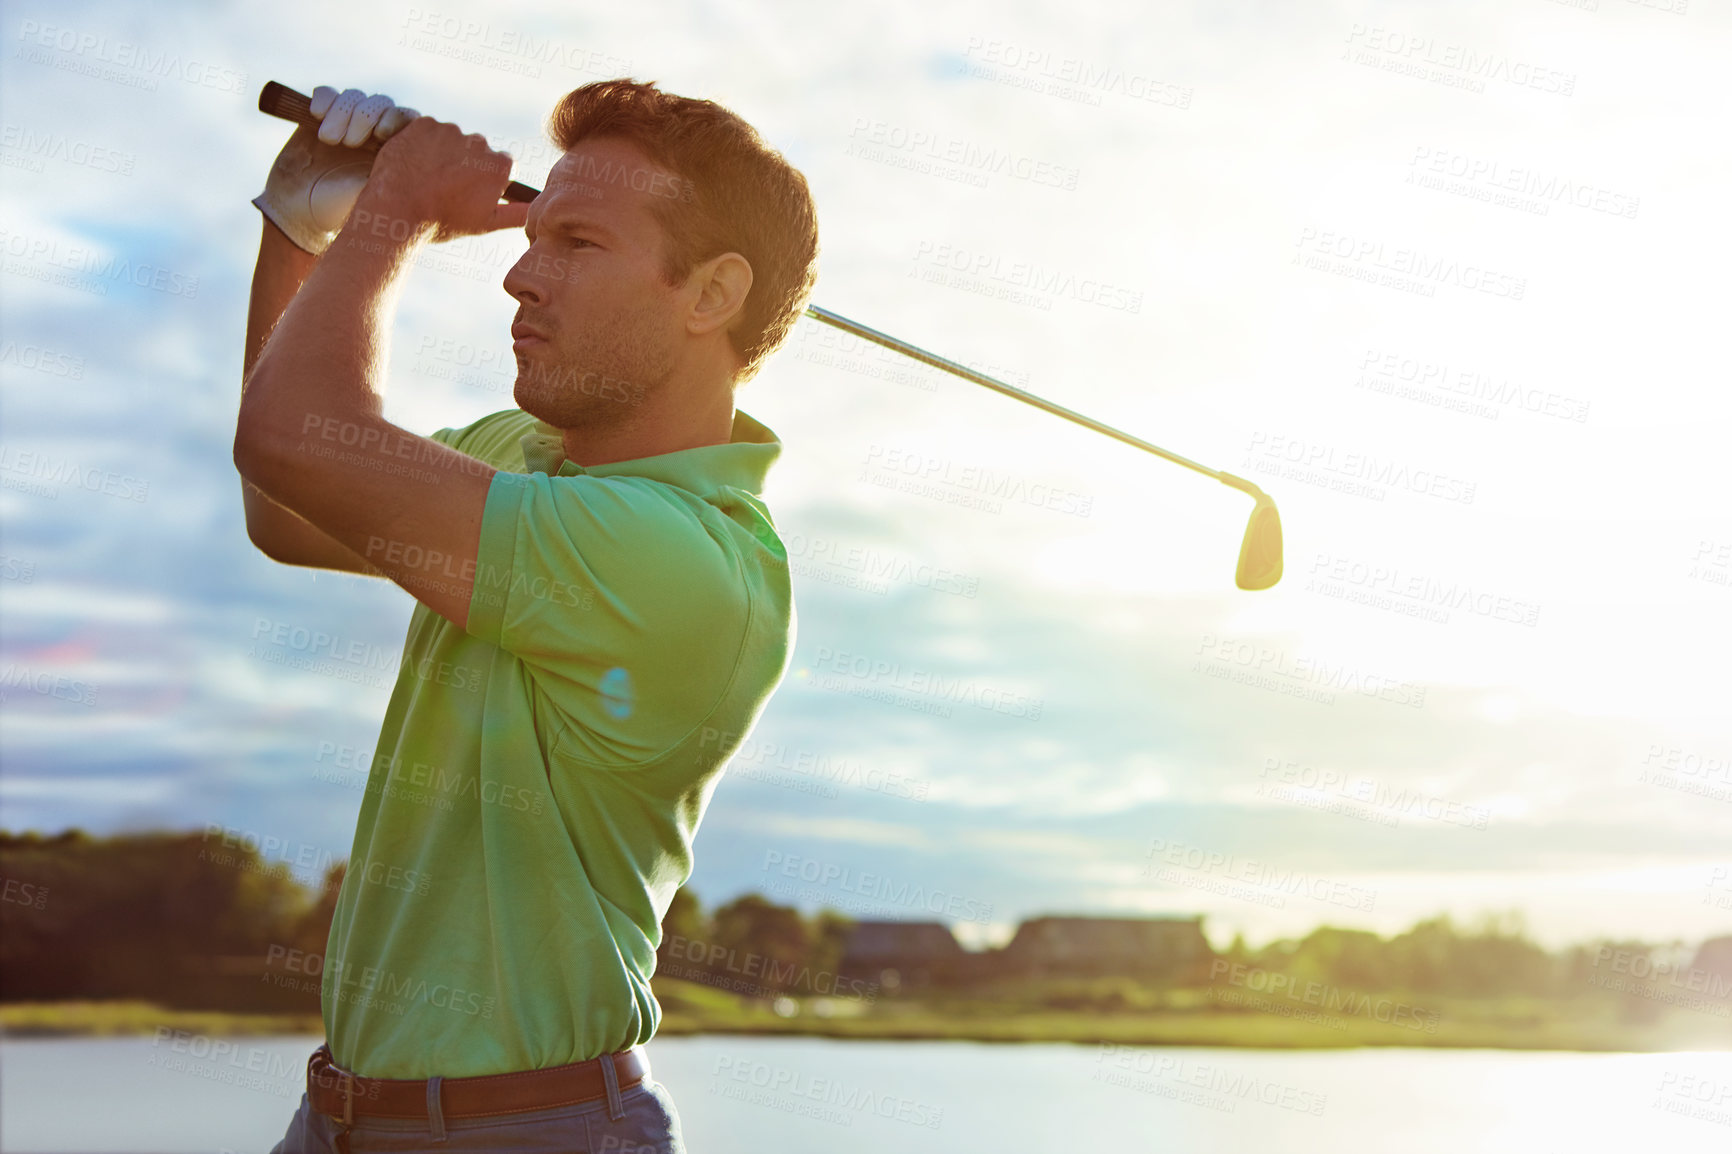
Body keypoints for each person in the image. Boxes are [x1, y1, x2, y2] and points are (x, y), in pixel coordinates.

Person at [237, 79, 819, 1153]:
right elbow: (286, 503)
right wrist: (299, 233)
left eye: (578, 243)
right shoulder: (524, 457)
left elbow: (295, 436)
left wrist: (391, 215)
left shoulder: (680, 554)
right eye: (532, 232)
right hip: (338, 1118)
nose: (517, 272)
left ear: (712, 292)